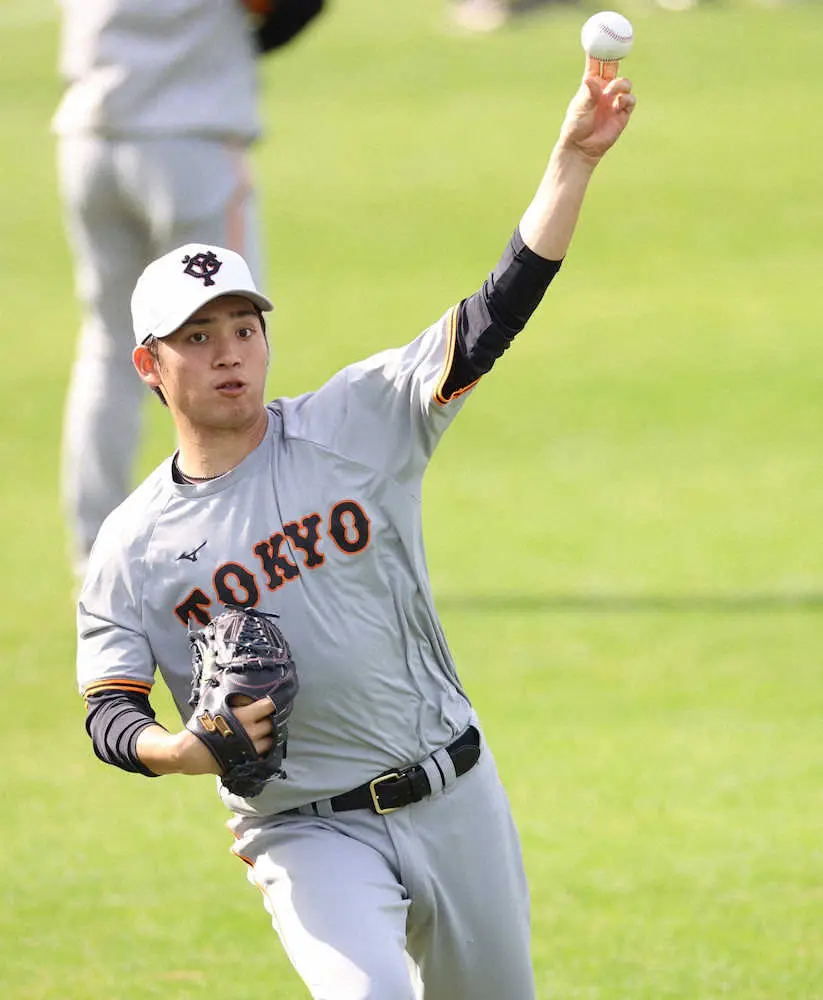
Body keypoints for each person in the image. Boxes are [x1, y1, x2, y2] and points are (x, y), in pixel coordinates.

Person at [76, 67, 635, 1000]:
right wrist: (179, 750)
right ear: (150, 363)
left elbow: (496, 310)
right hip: (303, 830)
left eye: (243, 328)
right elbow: (109, 710)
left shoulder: (357, 422)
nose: (229, 354)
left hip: (456, 793)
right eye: (198, 337)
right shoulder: (131, 546)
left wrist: (572, 159)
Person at [53, 0, 323, 581]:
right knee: (233, 349)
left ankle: (94, 556)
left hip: (90, 132)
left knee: (106, 346)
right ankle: (247, 547)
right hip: (191, 136)